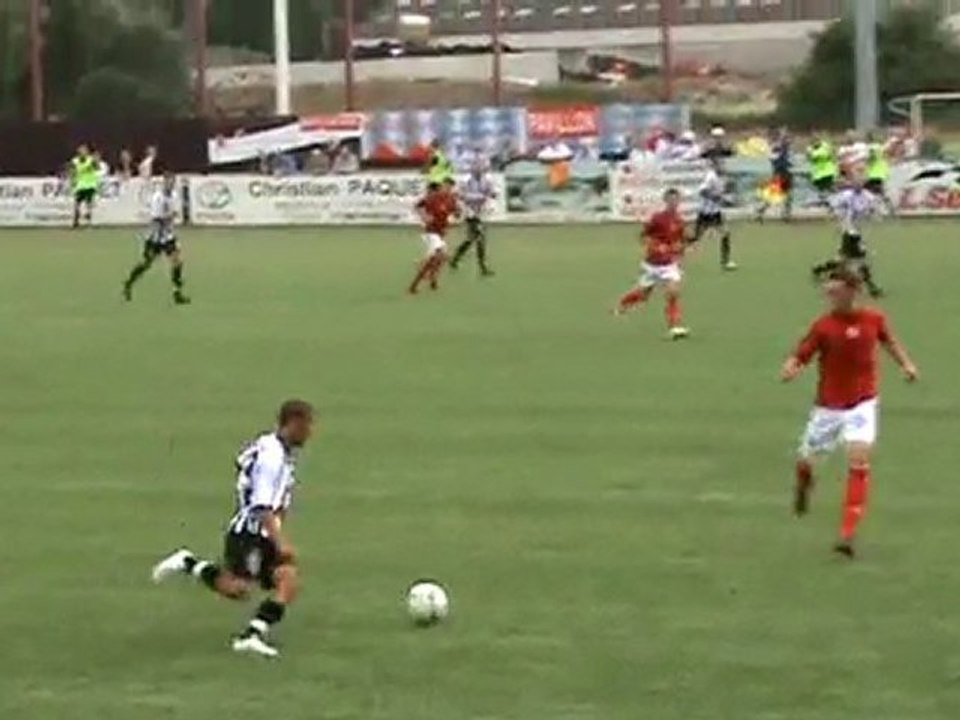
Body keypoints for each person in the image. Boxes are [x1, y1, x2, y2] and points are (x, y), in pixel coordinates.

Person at [151, 400, 315, 658]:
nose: (310, 432)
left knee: (288, 580)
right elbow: (261, 506)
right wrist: (281, 540)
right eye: (307, 425)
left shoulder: (276, 449)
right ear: (292, 423)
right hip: (248, 533)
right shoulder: (272, 456)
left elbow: (245, 464)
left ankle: (252, 635)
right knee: (238, 589)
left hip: (263, 531)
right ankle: (189, 563)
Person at [781, 268, 917, 558]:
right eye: (829, 292)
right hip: (828, 408)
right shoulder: (824, 326)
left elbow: (888, 341)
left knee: (859, 460)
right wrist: (792, 366)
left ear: (852, 291)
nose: (830, 296)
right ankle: (803, 485)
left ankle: (848, 534)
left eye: (836, 291)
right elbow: (803, 352)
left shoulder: (874, 319)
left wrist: (906, 364)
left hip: (862, 403)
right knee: (806, 462)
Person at [612, 187, 690, 340]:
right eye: (671, 199)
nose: (674, 202)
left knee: (673, 293)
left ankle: (674, 327)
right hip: (652, 264)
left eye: (677, 199)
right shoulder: (657, 218)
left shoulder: (680, 221)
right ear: (666, 200)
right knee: (642, 295)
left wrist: (681, 250)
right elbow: (643, 236)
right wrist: (655, 246)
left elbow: (681, 241)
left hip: (669, 265)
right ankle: (622, 305)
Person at [122, 172, 191, 305]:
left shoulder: (174, 196)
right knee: (146, 264)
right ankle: (129, 284)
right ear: (164, 182)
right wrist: (170, 215)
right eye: (168, 181)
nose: (170, 184)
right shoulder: (157, 198)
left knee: (177, 262)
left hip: (168, 236)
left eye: (172, 182)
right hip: (155, 237)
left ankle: (177, 293)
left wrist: (172, 217)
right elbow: (156, 218)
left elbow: (173, 214)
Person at [811, 174, 883, 298]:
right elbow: (832, 205)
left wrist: (875, 215)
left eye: (860, 182)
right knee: (861, 260)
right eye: (855, 182)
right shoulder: (846, 195)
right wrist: (836, 218)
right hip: (850, 231)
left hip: (860, 231)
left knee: (844, 260)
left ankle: (821, 268)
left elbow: (875, 209)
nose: (857, 184)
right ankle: (872, 287)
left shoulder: (868, 197)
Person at [409, 181, 459, 295]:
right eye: (444, 187)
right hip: (431, 232)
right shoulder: (430, 199)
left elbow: (456, 212)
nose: (447, 189)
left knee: (441, 258)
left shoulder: (450, 200)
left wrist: (455, 217)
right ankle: (415, 285)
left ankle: (430, 276)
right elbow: (416, 207)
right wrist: (424, 216)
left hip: (441, 233)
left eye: (449, 187)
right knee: (438, 255)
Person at [690, 157, 737, 271]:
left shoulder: (721, 178)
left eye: (723, 164)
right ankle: (674, 262)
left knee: (725, 234)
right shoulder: (711, 176)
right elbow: (702, 191)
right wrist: (716, 198)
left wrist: (725, 198)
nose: (723, 166)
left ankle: (725, 262)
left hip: (715, 213)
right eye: (721, 164)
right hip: (705, 213)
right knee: (694, 239)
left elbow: (721, 193)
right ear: (715, 166)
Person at [450, 166, 497, 277]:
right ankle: (483, 267)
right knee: (480, 238)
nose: (479, 171)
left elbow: (492, 193)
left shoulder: (486, 181)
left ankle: (455, 259)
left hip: (480, 211)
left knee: (471, 239)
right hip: (469, 212)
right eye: (476, 169)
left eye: (480, 169)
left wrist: (492, 195)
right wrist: (479, 197)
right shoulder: (466, 181)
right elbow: (460, 195)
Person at [756, 128, 793, 222]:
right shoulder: (778, 148)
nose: (788, 139)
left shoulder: (784, 148)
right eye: (785, 137)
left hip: (785, 173)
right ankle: (763, 210)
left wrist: (788, 164)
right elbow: (774, 159)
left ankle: (785, 214)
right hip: (779, 173)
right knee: (778, 194)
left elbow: (781, 160)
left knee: (786, 195)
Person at [864, 132, 896, 215]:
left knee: (867, 190)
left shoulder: (871, 148)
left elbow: (871, 157)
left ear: (868, 139)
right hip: (881, 171)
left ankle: (876, 208)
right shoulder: (879, 146)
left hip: (875, 172)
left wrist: (867, 161)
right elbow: (887, 153)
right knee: (876, 191)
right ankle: (886, 206)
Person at [69, 145, 100, 228]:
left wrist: (96, 161)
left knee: (89, 204)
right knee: (77, 204)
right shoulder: (75, 161)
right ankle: (76, 221)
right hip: (80, 185)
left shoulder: (91, 160)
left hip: (90, 185)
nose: (82, 153)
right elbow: (72, 171)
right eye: (80, 151)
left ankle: (89, 222)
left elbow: (97, 168)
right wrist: (72, 180)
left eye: (84, 151)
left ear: (87, 152)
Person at [806, 136, 838, 207]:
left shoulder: (825, 146)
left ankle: (835, 199)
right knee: (820, 188)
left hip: (827, 171)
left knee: (829, 186)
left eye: (817, 141)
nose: (816, 143)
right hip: (818, 172)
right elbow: (810, 158)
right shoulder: (811, 149)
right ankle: (823, 201)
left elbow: (828, 154)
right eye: (813, 142)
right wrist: (810, 154)